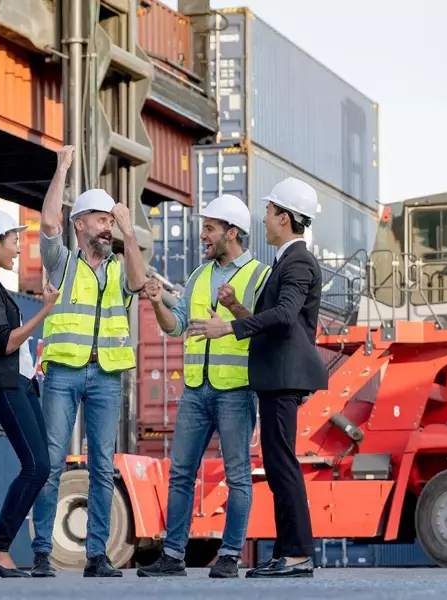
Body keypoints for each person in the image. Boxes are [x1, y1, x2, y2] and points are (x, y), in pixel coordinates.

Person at [189, 177, 327, 579]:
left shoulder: (298, 261)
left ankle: (297, 555)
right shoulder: (288, 260)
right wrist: (235, 308)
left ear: (284, 217)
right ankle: (286, 553)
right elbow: (274, 321)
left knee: (283, 465)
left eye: (268, 211)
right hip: (276, 375)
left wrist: (227, 328)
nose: (263, 219)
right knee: (278, 463)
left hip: (283, 375)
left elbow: (284, 316)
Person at [135, 194, 270, 579]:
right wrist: (157, 303)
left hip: (236, 390)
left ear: (232, 232)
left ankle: (229, 555)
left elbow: (267, 328)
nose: (202, 235)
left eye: (209, 228)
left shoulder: (260, 276)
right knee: (180, 472)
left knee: (238, 475)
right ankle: (172, 555)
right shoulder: (197, 276)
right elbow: (175, 326)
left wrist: (233, 312)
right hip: (196, 390)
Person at [29, 146, 147, 578]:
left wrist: (130, 234)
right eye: (101, 220)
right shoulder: (62, 262)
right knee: (51, 464)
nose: (107, 227)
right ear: (79, 224)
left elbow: (139, 282)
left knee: (102, 466)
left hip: (107, 376)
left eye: (110, 221)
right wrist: (61, 168)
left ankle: (97, 555)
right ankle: (42, 552)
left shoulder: (119, 266)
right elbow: (48, 223)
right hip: (63, 372)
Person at [0, 207, 60, 579]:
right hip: (4, 385)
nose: (19, 247)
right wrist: (45, 311)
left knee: (41, 465)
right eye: (14, 240)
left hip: (21, 383)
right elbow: (4, 342)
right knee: (36, 466)